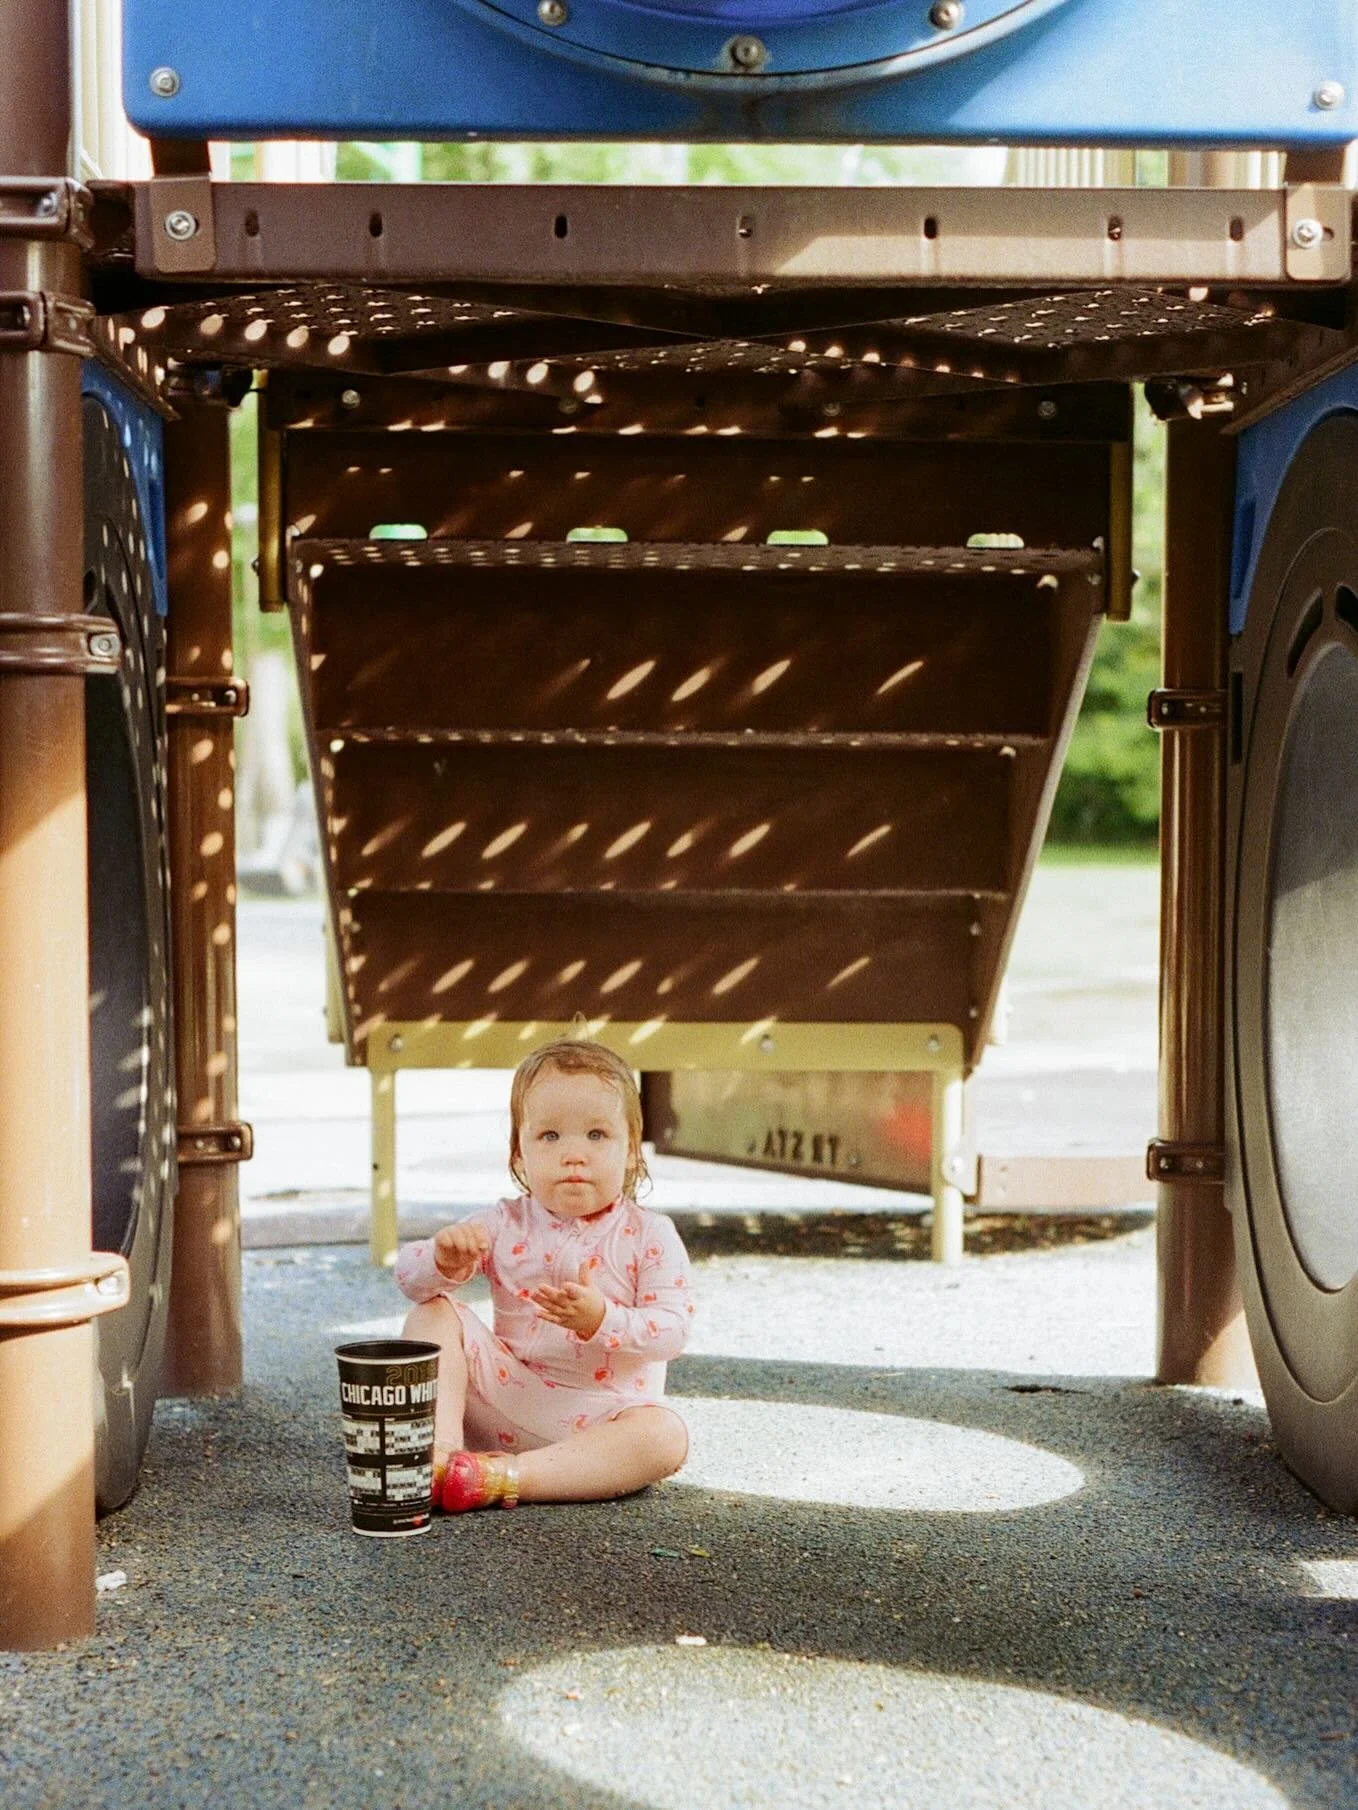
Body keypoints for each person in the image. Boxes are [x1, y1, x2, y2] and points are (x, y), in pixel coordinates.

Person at [395, 1034, 693, 1513]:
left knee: (665, 1436)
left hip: (601, 1422)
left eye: (596, 1135)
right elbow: (408, 1280)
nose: (574, 1154)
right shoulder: (503, 1223)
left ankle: (501, 1478)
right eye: (550, 1136)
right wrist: (442, 1261)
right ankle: (439, 1458)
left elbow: (673, 1332)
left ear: (632, 1152)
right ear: (519, 1155)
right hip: (506, 1399)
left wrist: (602, 1319)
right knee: (433, 1312)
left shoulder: (650, 1234)